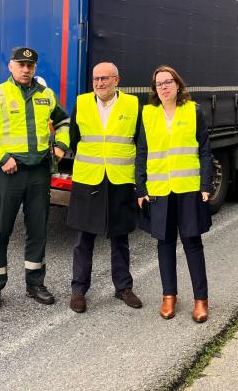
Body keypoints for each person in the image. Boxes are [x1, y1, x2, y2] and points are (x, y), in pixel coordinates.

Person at [0, 47, 70, 311]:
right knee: (1, 231)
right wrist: (3, 158)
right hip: (9, 174)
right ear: (11, 66)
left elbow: (64, 122)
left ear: (35, 68)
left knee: (38, 230)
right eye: (21, 64)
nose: (26, 69)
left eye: (30, 65)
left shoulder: (46, 95)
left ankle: (35, 284)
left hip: (39, 172)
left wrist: (61, 146)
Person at [135, 65, 213, 323]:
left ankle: (201, 300)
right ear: (155, 90)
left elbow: (204, 150)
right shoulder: (148, 115)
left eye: (168, 82)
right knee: (164, 243)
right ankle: (169, 296)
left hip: (188, 189)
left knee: (192, 243)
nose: (164, 87)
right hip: (159, 191)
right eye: (159, 84)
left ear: (178, 85)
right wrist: (141, 187)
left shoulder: (193, 111)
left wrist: (205, 185)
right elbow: (143, 153)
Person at [66, 62, 142, 313]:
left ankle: (123, 288)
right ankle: (78, 290)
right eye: (96, 79)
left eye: (105, 79)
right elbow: (75, 139)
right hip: (89, 178)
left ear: (117, 80)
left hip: (120, 178)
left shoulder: (133, 105)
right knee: (83, 238)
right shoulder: (83, 102)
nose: (99, 83)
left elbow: (140, 142)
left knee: (120, 236)